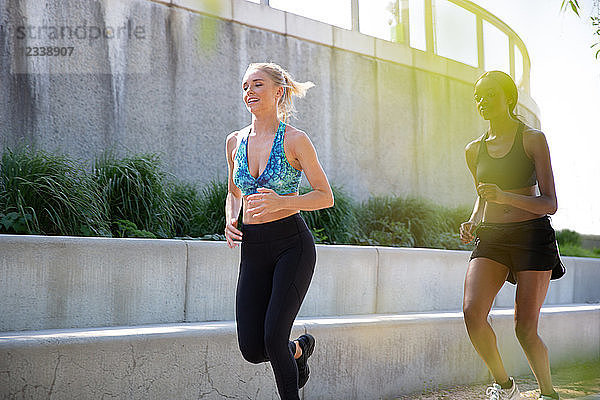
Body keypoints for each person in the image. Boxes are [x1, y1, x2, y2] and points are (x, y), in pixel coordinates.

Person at [224, 62, 334, 400]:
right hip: (253, 249)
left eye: (257, 84)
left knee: (273, 338)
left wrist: (285, 203)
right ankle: (299, 350)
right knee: (253, 349)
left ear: (278, 91)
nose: (249, 92)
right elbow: (233, 191)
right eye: (245, 86)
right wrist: (230, 218)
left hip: (292, 246)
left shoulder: (296, 140)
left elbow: (325, 196)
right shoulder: (234, 141)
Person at [460, 71, 564, 400]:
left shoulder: (533, 139)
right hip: (492, 237)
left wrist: (505, 197)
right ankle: (504, 385)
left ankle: (548, 393)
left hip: (532, 237)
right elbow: (482, 195)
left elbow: (550, 203)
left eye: (489, 94)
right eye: (478, 95)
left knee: (525, 329)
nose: (482, 100)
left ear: (507, 97)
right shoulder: (474, 150)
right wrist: (474, 220)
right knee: (472, 313)